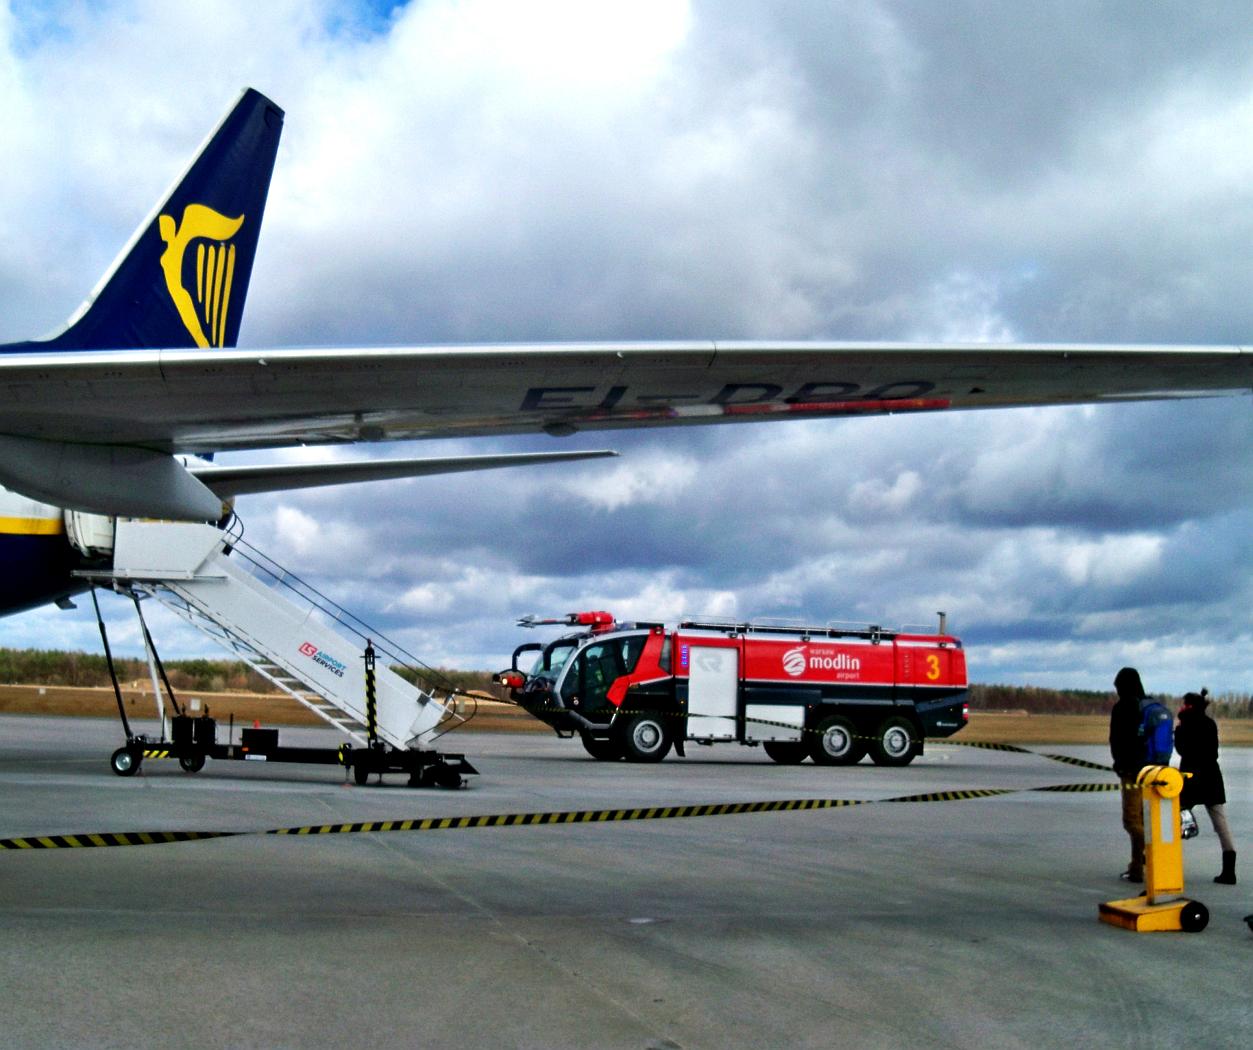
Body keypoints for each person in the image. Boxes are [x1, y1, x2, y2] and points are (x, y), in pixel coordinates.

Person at [1109, 667, 1172, 882]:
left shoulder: (1123, 707)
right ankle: (1139, 866)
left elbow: (1118, 740)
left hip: (1132, 772)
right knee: (1145, 820)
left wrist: (1120, 764)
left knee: (1132, 820)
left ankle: (1145, 858)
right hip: (1154, 772)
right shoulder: (1149, 706)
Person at [1176, 689, 1237, 885]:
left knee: (1174, 819)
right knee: (1221, 825)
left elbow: (1181, 750)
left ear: (1189, 706)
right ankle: (1229, 871)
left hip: (1191, 778)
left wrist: (1179, 729)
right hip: (1211, 777)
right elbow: (1214, 753)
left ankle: (1164, 862)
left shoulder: (1185, 725)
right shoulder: (1210, 723)